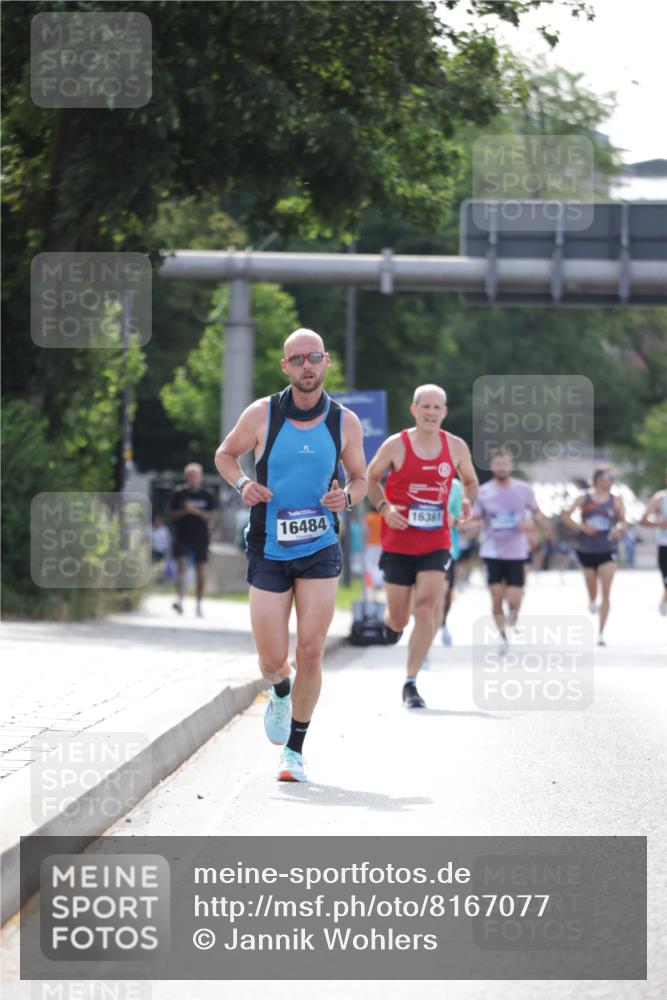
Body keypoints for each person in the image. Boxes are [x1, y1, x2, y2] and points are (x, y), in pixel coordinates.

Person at [214, 328, 366, 782]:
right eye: (297, 358)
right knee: (271, 659)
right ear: (285, 366)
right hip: (269, 546)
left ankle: (294, 751)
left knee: (312, 652)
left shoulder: (344, 421)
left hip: (319, 546)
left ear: (326, 362)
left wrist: (349, 499)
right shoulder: (262, 414)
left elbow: (360, 478)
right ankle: (280, 689)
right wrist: (243, 483)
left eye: (313, 357)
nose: (306, 366)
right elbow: (225, 455)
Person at [367, 384, 478, 709]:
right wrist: (386, 508)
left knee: (427, 608)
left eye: (437, 408)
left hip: (436, 540)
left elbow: (470, 481)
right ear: (414, 410)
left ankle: (411, 682)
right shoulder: (396, 445)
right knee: (401, 618)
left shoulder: (455, 447)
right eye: (425, 407)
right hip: (398, 541)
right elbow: (371, 480)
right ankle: (391, 623)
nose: (431, 413)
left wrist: (468, 502)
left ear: (444, 412)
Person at [469, 450, 545, 654]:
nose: (502, 467)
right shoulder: (483, 492)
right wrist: (476, 524)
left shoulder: (523, 490)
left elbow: (538, 516)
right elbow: (475, 518)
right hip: (492, 551)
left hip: (517, 552)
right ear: (492, 466)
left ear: (510, 466)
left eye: (505, 464)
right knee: (495, 596)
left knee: (514, 597)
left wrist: (531, 525)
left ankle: (514, 612)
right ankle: (503, 636)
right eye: (498, 464)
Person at [562, 466, 627, 645]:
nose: (608, 481)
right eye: (605, 477)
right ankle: (591, 599)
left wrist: (618, 529)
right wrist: (582, 527)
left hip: (607, 549)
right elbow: (566, 516)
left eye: (611, 478)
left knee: (606, 591)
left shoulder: (617, 499)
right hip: (586, 549)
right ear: (597, 479)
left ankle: (601, 632)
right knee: (592, 587)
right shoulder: (584, 497)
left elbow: (623, 521)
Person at [168, 463, 217, 617]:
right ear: (186, 477)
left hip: (200, 536)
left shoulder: (207, 495)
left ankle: (199, 604)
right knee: (181, 566)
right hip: (182, 534)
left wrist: (195, 511)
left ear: (200, 477)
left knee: (200, 569)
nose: (193, 479)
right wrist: (184, 510)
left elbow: (212, 517)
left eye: (196, 475)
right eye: (190, 476)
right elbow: (171, 516)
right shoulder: (178, 494)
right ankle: (180, 600)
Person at [639, 474, 667, 615]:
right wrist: (660, 524)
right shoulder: (660, 498)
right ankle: (665, 596)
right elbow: (642, 520)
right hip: (665, 545)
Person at [441, 476, 463, 646]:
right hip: (420, 546)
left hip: (449, 548)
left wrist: (453, 521)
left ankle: (442, 624)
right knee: (428, 594)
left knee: (446, 593)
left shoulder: (455, 486)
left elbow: (460, 520)